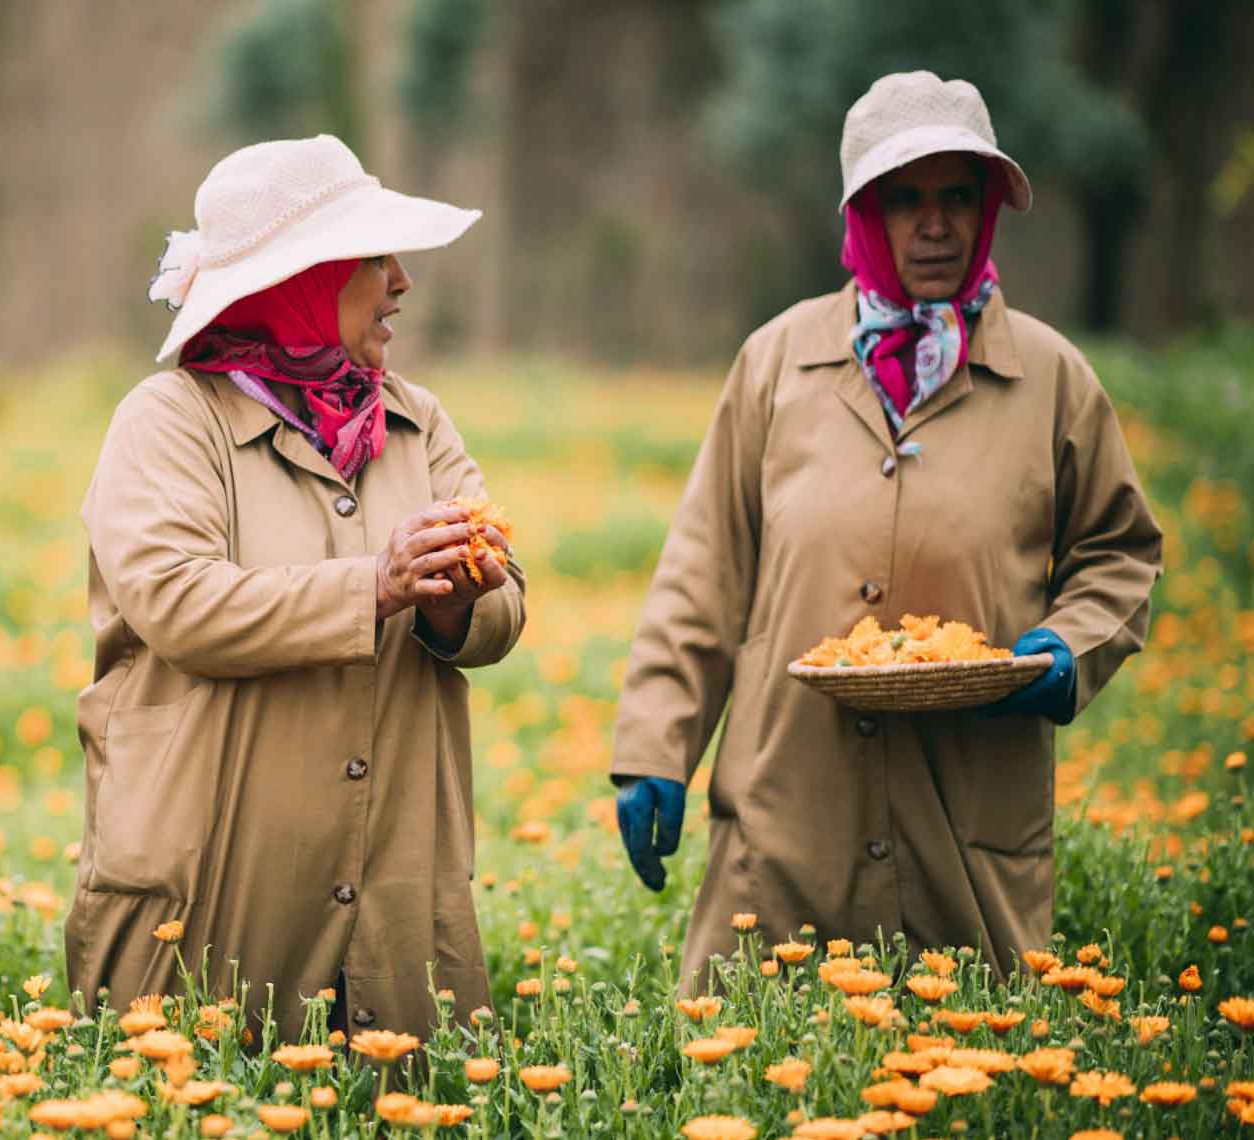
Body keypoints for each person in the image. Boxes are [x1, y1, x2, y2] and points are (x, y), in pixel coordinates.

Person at [610, 72, 1162, 988]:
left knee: (965, 1095)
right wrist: (654, 749)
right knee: (758, 1087)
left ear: (987, 209)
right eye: (903, 200)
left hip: (967, 836)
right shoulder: (776, 364)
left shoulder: (1052, 378)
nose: (934, 225)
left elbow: (1121, 549)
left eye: (957, 196)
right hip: (785, 833)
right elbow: (703, 569)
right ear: (864, 215)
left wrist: (1066, 649)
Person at [68, 135, 526, 1040]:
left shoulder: (413, 417)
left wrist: (455, 600)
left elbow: (503, 596)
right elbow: (179, 604)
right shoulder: (169, 421)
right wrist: (378, 586)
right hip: (212, 890)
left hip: (392, 891)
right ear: (301, 279)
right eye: (373, 259)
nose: (401, 282)